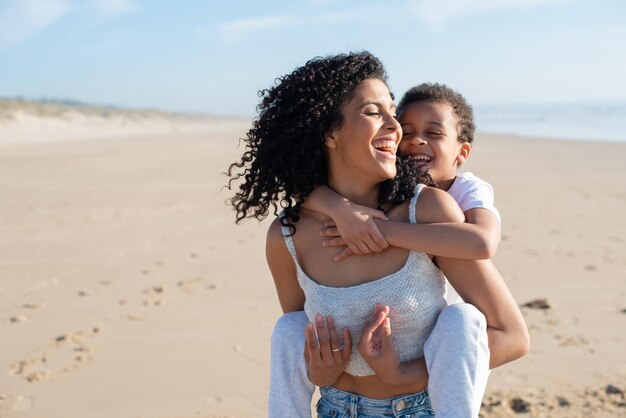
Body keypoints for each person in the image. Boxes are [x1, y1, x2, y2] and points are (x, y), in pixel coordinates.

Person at [229, 51, 529, 417]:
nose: (395, 125)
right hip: (335, 408)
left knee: (462, 320)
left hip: (420, 407)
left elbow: (510, 335)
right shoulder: (287, 236)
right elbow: (305, 347)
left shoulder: (429, 213)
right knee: (289, 329)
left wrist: (404, 375)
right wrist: (319, 371)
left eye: (393, 112)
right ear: (329, 132)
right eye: (375, 112)